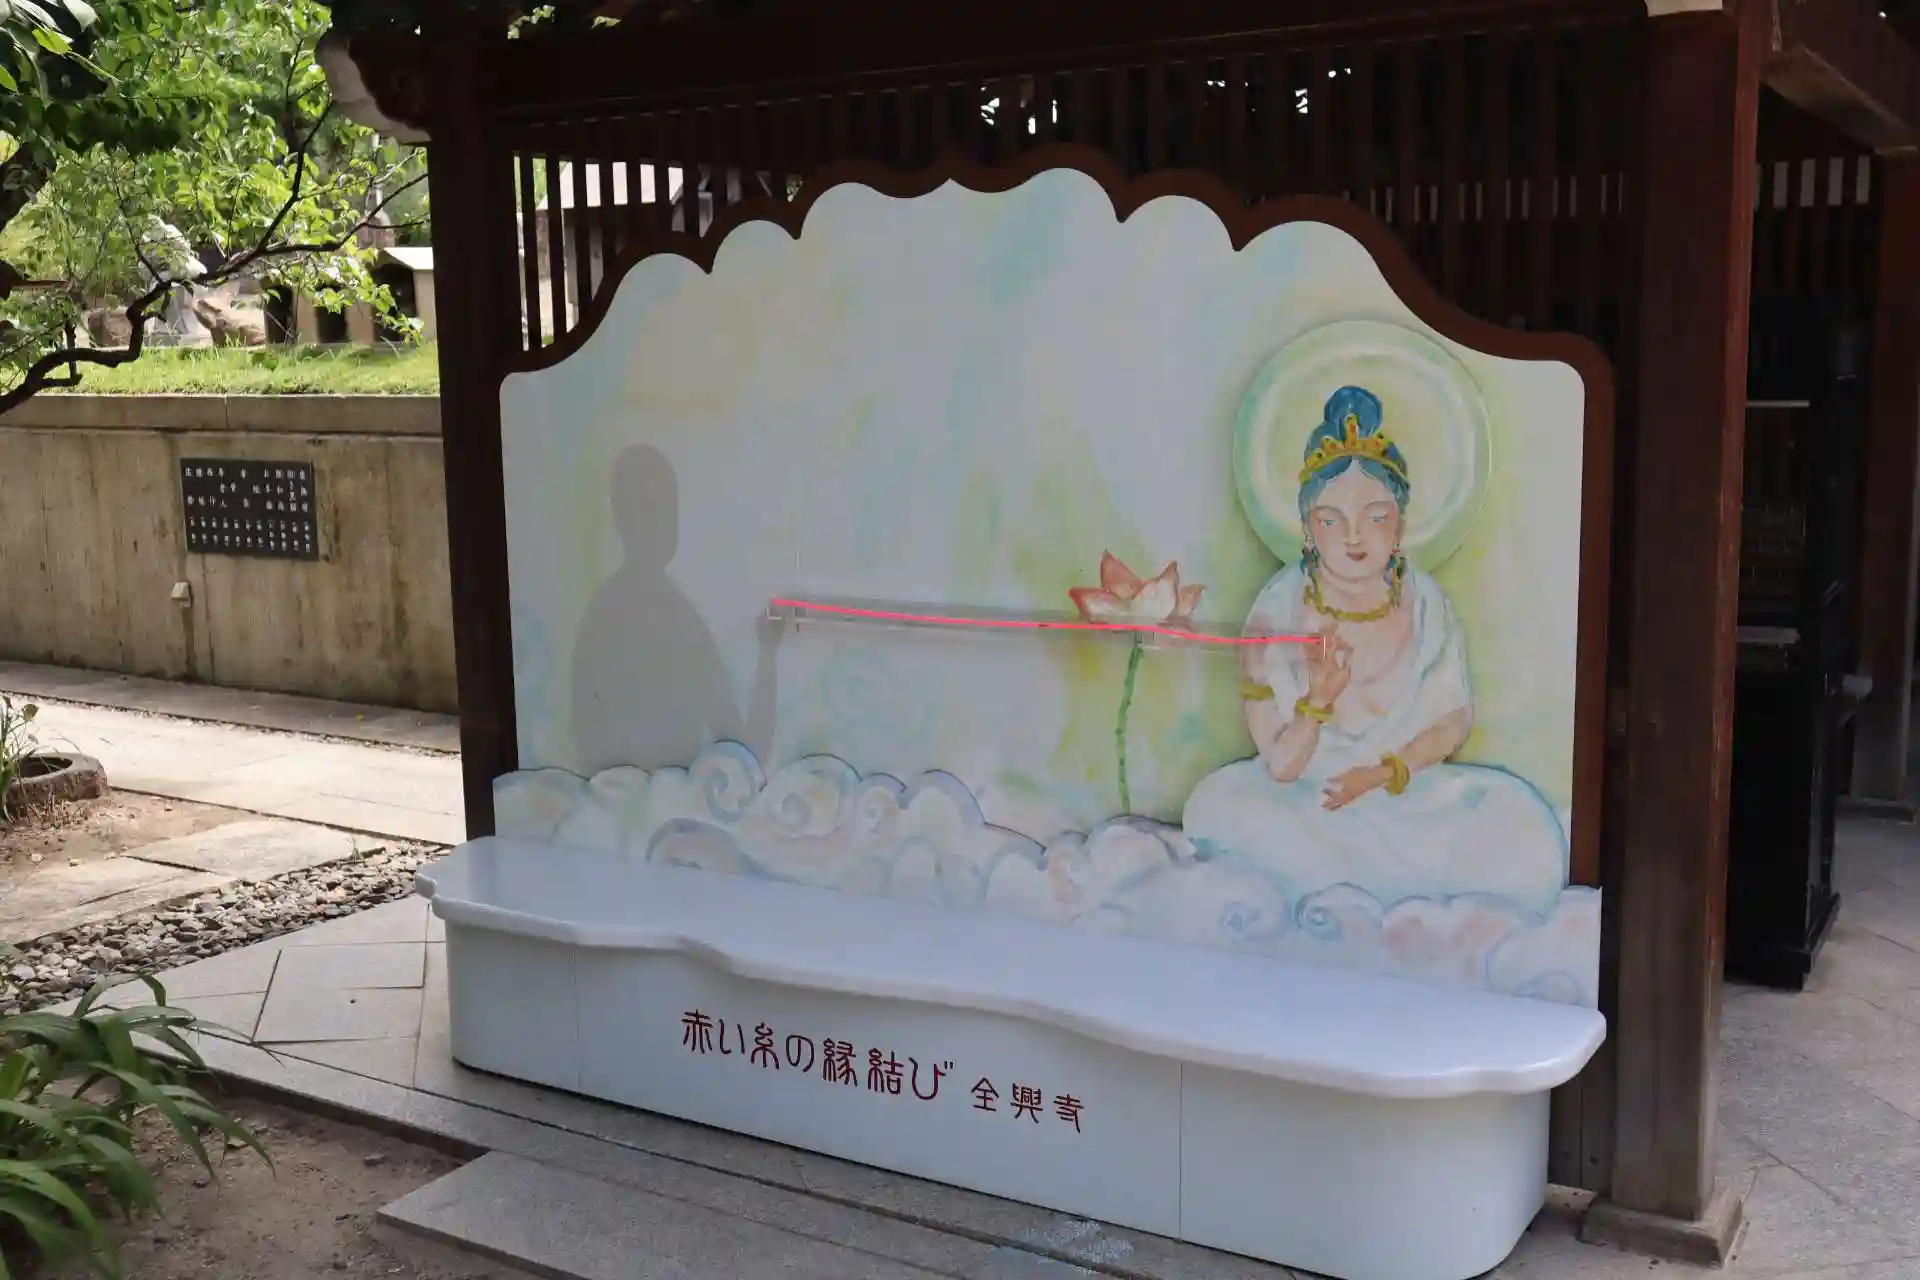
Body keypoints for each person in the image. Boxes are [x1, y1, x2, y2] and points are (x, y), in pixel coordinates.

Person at [1181, 385, 1568, 912]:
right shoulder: (1277, 607)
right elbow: (1281, 767)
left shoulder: (1426, 601)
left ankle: (1357, 885)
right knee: (1219, 807)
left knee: (1521, 826)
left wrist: (1380, 774)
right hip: (1307, 800)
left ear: (1401, 525)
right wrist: (1316, 703)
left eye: (1377, 517)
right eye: (1331, 520)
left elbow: (1451, 722)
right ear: (1308, 529)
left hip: (1404, 796)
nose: (1354, 537)